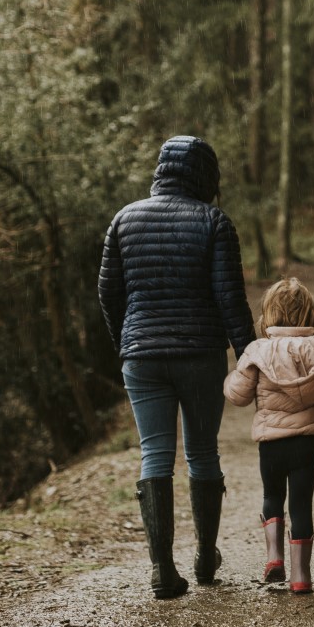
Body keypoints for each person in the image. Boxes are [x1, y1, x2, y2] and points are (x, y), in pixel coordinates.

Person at [98, 135, 255, 600]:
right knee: (203, 452)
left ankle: (161, 569)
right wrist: (252, 359)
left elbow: (109, 295)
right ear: (206, 176)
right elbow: (231, 302)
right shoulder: (214, 221)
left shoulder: (124, 219)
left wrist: (127, 342)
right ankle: (206, 555)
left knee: (154, 454)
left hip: (141, 357)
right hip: (201, 355)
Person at [224, 277, 314, 595]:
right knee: (302, 505)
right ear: (308, 313)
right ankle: (301, 577)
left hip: (271, 442)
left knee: (272, 496)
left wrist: (233, 375)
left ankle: (274, 557)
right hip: (306, 443)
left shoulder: (257, 351)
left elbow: (238, 396)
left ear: (269, 315)